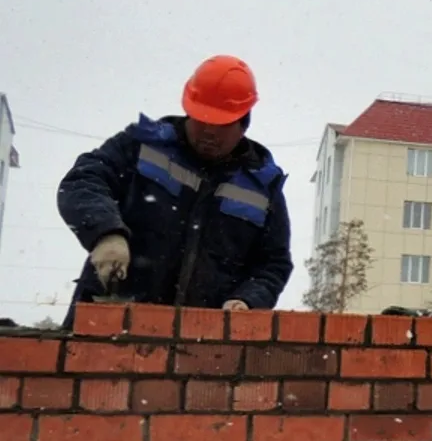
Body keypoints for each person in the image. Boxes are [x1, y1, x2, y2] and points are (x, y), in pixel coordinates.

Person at [57, 55, 293, 327]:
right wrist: (105, 233)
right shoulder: (143, 146)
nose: (208, 132)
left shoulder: (262, 185)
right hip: (109, 327)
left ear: (243, 123)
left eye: (220, 124)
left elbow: (273, 264)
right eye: (201, 119)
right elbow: (83, 180)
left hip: (199, 343)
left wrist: (248, 300)